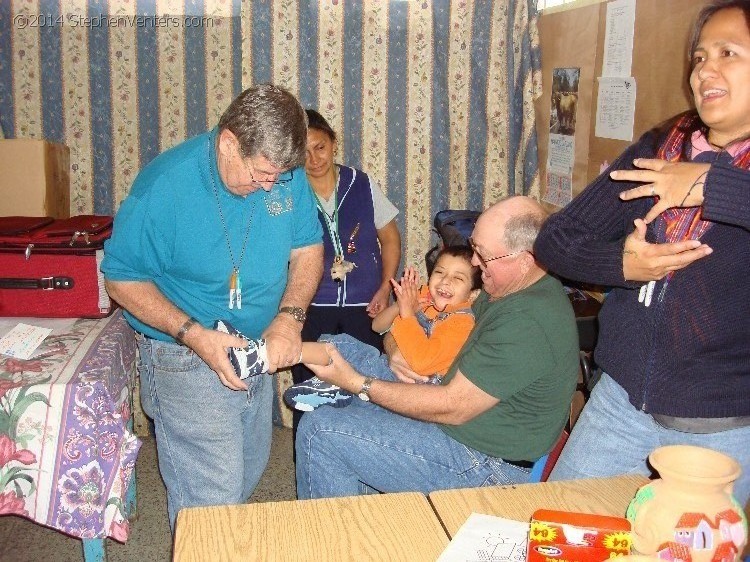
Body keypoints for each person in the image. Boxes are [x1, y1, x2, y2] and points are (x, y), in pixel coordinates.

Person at [533, 0, 750, 508]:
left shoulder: (700, 171)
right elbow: (555, 239)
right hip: (619, 405)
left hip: (722, 428)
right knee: (560, 531)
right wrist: (622, 267)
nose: (705, 70)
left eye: (728, 53)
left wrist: (707, 185)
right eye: (698, 57)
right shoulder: (664, 147)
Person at [101, 84, 324, 529]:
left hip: (254, 348)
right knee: (212, 497)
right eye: (262, 174)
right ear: (228, 142)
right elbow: (121, 278)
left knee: (248, 467)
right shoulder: (165, 186)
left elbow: (307, 248)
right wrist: (195, 334)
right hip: (184, 353)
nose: (270, 187)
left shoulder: (284, 174)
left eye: (280, 177)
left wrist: (289, 318)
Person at [294, 196, 579, 499]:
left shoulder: (527, 322)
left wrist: (358, 383)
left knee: (321, 430)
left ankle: (329, 540)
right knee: (349, 408)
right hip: (460, 417)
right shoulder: (506, 288)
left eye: (482, 255)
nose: (473, 263)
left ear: (524, 259)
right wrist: (395, 351)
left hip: (485, 463)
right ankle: (365, 525)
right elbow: (403, 322)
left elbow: (452, 407)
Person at [291, 109, 402, 433]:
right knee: (310, 390)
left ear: (333, 143)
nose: (314, 159)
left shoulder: (362, 184)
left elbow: (390, 239)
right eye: (304, 151)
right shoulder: (290, 193)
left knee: (364, 386)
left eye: (320, 147)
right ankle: (310, 458)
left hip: (365, 306)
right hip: (312, 307)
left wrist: (385, 288)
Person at [283, 245, 482, 411]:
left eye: (458, 278)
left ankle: (279, 354)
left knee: (347, 349)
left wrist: (407, 313)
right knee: (336, 341)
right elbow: (377, 326)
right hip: (394, 372)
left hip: (417, 389)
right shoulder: (421, 297)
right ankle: (284, 353)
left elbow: (423, 362)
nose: (445, 281)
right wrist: (398, 305)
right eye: (439, 272)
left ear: (472, 294)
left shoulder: (461, 322)